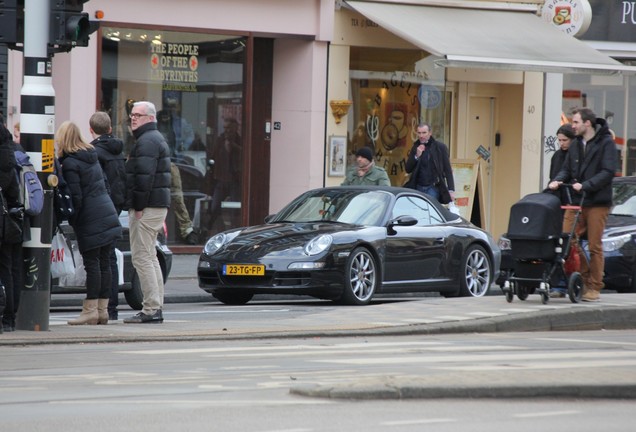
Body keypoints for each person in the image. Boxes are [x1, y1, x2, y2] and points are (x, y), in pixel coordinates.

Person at [56, 121, 122, 325]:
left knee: (92, 265)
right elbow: (106, 185)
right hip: (107, 212)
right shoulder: (91, 156)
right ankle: (102, 310)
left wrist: (73, 220)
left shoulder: (70, 163)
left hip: (90, 218)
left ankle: (90, 310)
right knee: (104, 263)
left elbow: (75, 197)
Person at [548, 108, 617, 302]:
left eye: (576, 122)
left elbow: (608, 171)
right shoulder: (576, 144)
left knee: (595, 245)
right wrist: (557, 181)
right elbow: (567, 169)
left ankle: (595, 286)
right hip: (576, 200)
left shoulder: (605, 143)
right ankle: (584, 278)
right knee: (567, 240)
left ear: (587, 124)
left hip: (597, 202)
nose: (573, 125)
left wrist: (586, 185)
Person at [123, 101, 171, 324]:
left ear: (150, 118)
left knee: (142, 257)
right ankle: (155, 306)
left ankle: (151, 309)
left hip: (147, 207)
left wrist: (139, 207)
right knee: (150, 256)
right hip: (155, 205)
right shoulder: (151, 139)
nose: (133, 118)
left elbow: (143, 178)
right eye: (132, 115)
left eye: (139, 115)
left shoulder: (147, 141)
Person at [89, 111, 127, 321]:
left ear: (91, 130)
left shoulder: (94, 151)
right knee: (110, 257)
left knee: (99, 259)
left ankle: (100, 307)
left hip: (100, 208)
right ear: (110, 129)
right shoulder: (119, 150)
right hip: (116, 207)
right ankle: (111, 308)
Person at [547, 123, 575, 299]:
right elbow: (553, 176)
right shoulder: (557, 156)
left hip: (570, 201)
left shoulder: (575, 156)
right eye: (559, 140)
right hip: (557, 200)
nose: (561, 143)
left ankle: (564, 284)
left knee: (567, 244)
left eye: (565, 140)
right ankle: (555, 282)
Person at [0, 119, 21, 333]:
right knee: (7, 267)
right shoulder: (10, 153)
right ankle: (8, 318)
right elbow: (14, 190)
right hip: (6, 218)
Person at [204, 117, 242, 233]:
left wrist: (233, 146)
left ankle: (235, 231)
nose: (227, 131)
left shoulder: (240, 141)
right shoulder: (220, 140)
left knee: (235, 210)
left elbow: (245, 154)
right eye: (225, 128)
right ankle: (216, 229)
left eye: (229, 128)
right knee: (214, 208)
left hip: (235, 180)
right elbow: (212, 156)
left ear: (236, 128)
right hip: (221, 179)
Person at [404, 123, 455, 203]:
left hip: (433, 187)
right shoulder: (416, 147)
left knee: (430, 212)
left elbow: (448, 170)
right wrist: (417, 156)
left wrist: (451, 190)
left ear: (430, 133)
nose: (421, 135)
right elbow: (408, 169)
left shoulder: (440, 147)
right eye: (419, 133)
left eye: (424, 133)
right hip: (418, 187)